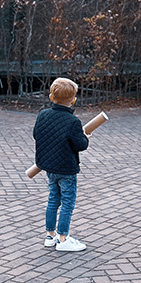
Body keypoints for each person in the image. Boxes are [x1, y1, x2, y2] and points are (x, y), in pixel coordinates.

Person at [33, 77, 90, 252]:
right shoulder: (73, 122)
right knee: (67, 202)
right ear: (73, 101)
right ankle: (63, 239)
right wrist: (84, 137)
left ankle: (50, 236)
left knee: (53, 200)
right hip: (66, 169)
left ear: (51, 97)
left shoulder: (43, 115)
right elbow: (80, 145)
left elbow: (37, 135)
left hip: (49, 168)